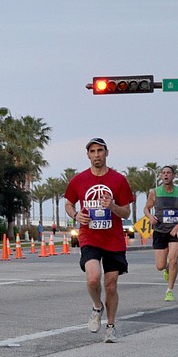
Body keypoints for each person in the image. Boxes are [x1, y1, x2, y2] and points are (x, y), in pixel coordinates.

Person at [64, 137, 133, 343]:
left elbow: (126, 211)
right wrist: (76, 216)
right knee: (93, 278)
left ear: (106, 153)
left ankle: (110, 327)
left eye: (100, 151)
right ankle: (97, 306)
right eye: (92, 151)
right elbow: (68, 204)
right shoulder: (79, 180)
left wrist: (112, 207)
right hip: (90, 237)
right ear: (88, 155)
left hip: (113, 240)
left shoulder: (118, 180)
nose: (96, 155)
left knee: (111, 285)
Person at [143, 165, 178, 302]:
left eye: (168, 173)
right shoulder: (155, 192)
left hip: (175, 232)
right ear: (161, 176)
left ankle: (169, 290)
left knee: (173, 259)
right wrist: (150, 216)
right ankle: (166, 268)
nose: (166, 175)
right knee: (160, 266)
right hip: (159, 231)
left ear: (173, 176)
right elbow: (146, 208)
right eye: (163, 173)